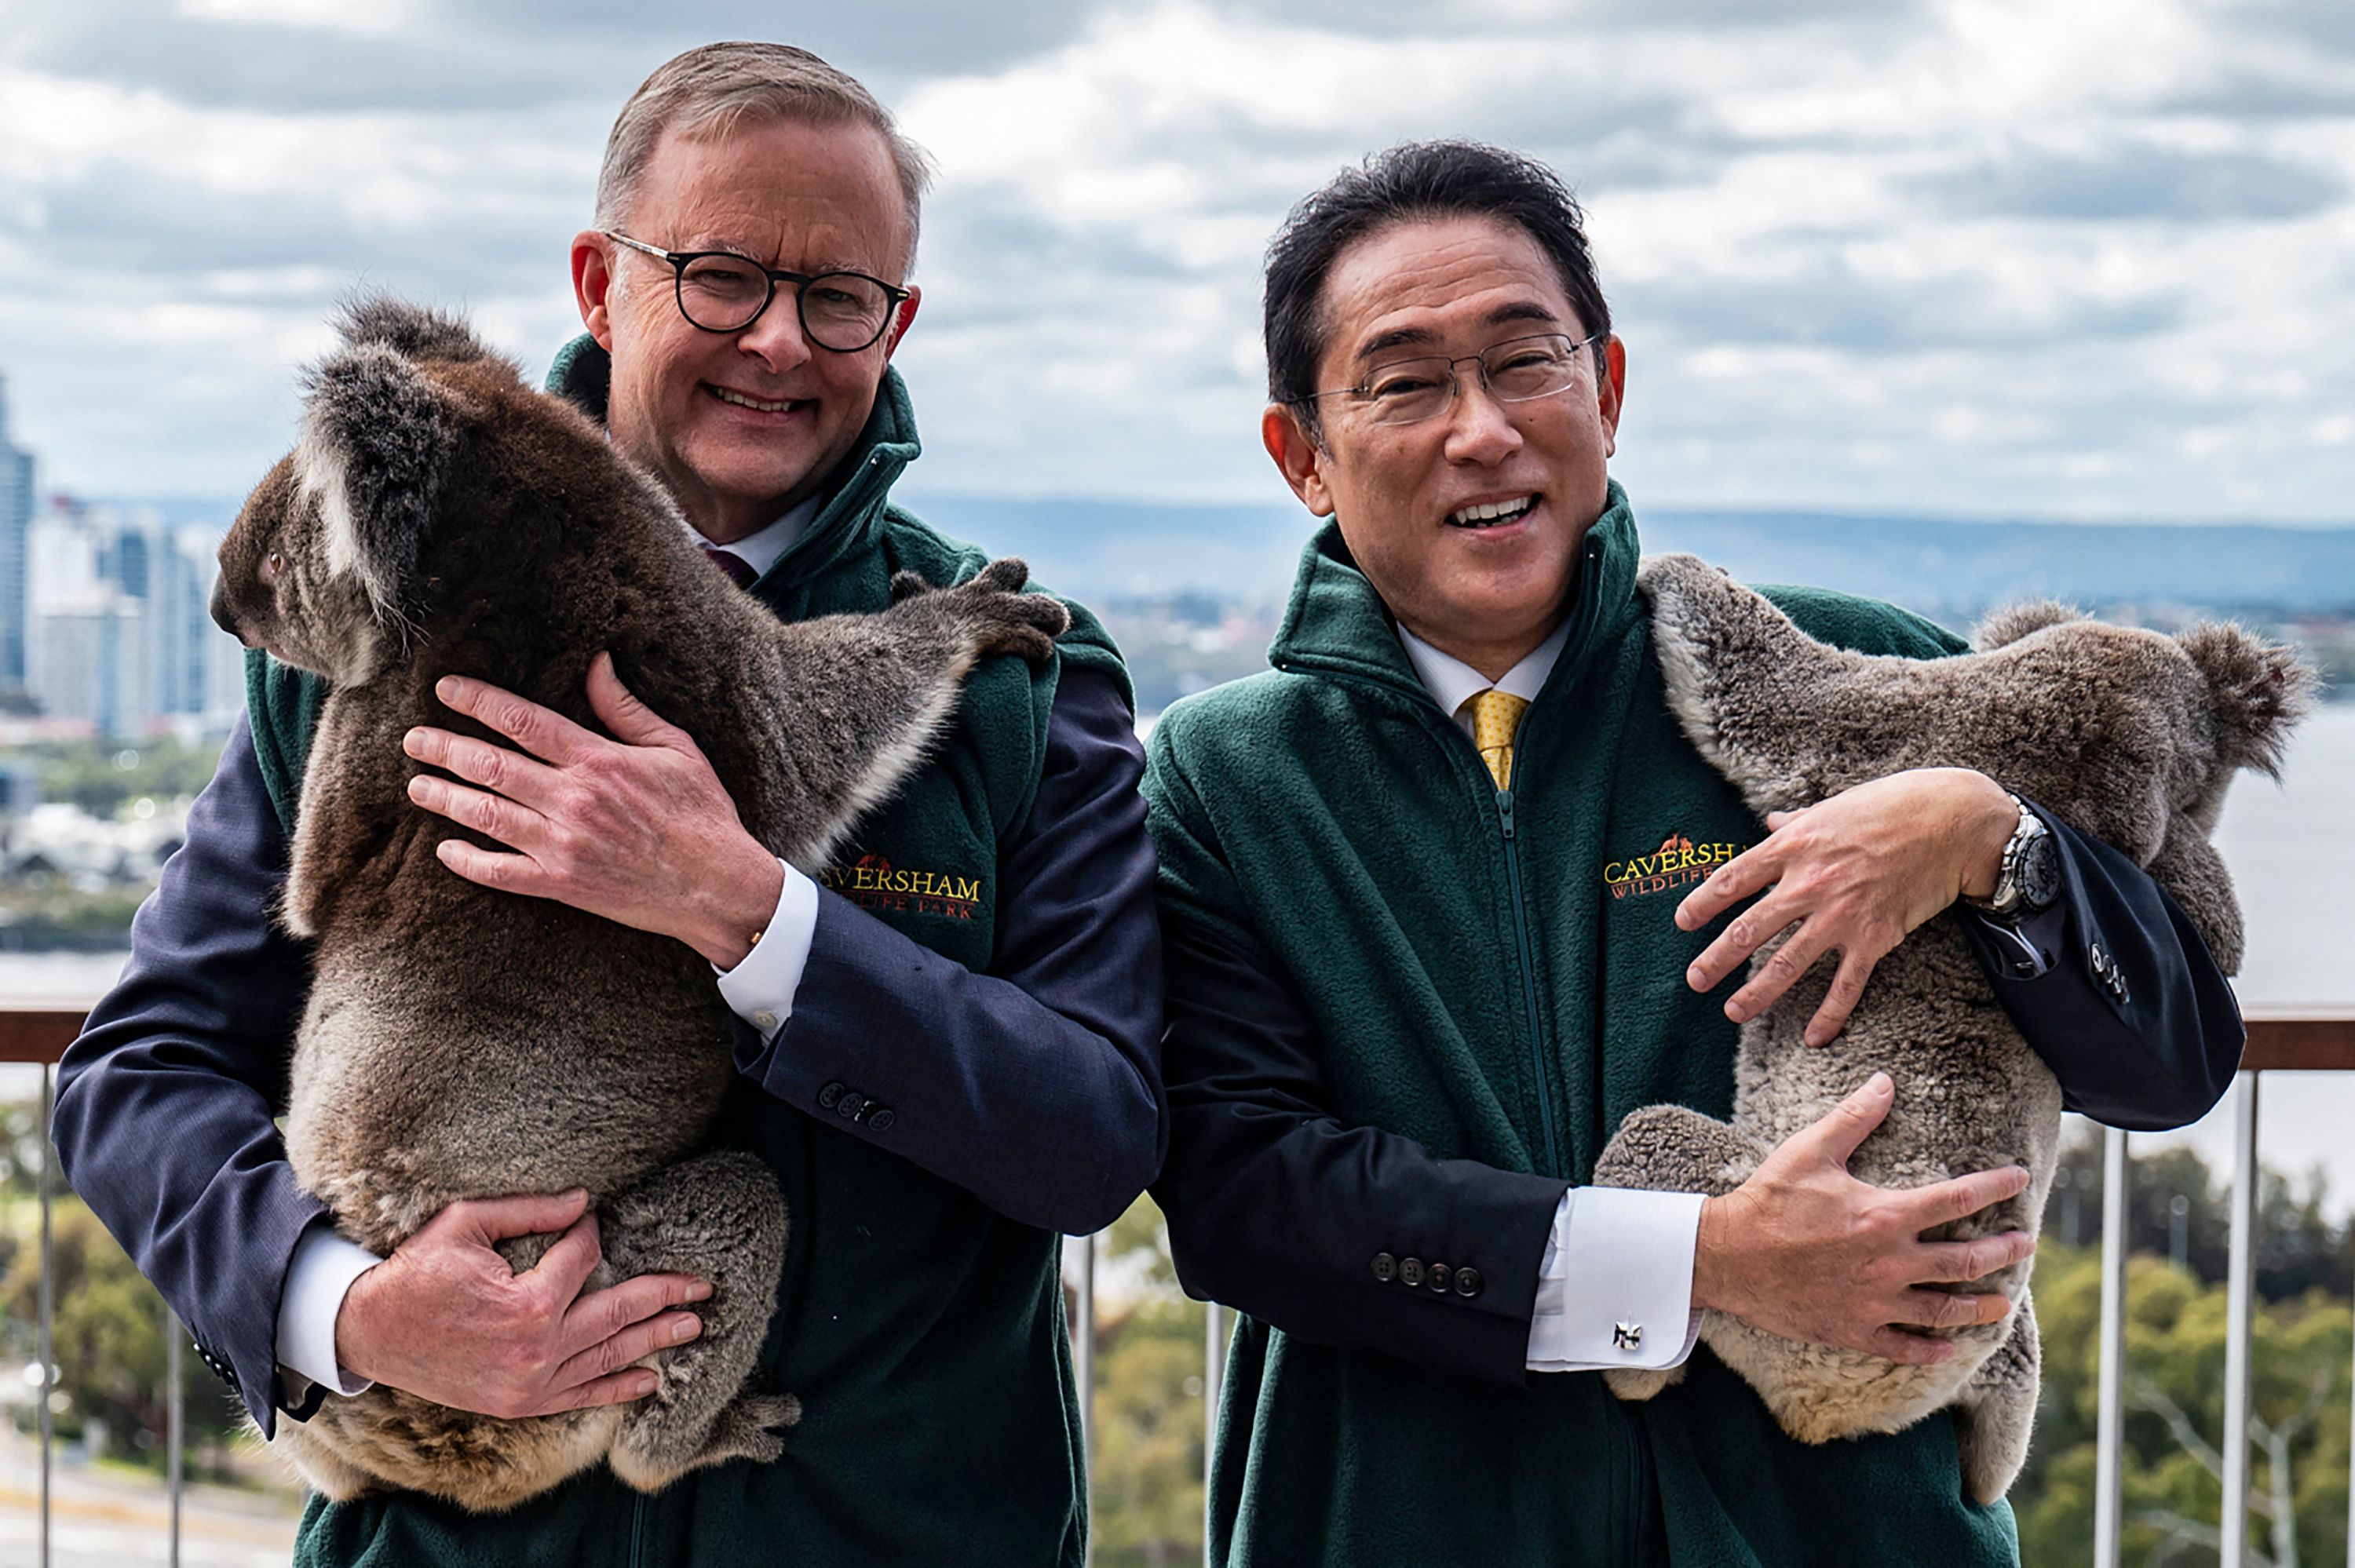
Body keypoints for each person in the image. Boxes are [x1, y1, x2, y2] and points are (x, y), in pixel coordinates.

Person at [56, 43, 1165, 1568]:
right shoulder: (377, 628)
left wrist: (752, 915)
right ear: (599, 280)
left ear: (896, 322)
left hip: (894, 1526)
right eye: (720, 276)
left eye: (839, 296)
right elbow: (138, 1072)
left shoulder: (1015, 672)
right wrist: (348, 1307)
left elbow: (1092, 1137)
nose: (778, 340)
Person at [1144, 140, 2244, 1566]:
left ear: (1605, 390)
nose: (1482, 430)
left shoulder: (1851, 670)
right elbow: (1248, 1202)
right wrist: (1699, 1258)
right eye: (1404, 381)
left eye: (1524, 361)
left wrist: (1995, 842)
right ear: (1305, 455)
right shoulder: (1227, 776)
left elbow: (2172, 1063)